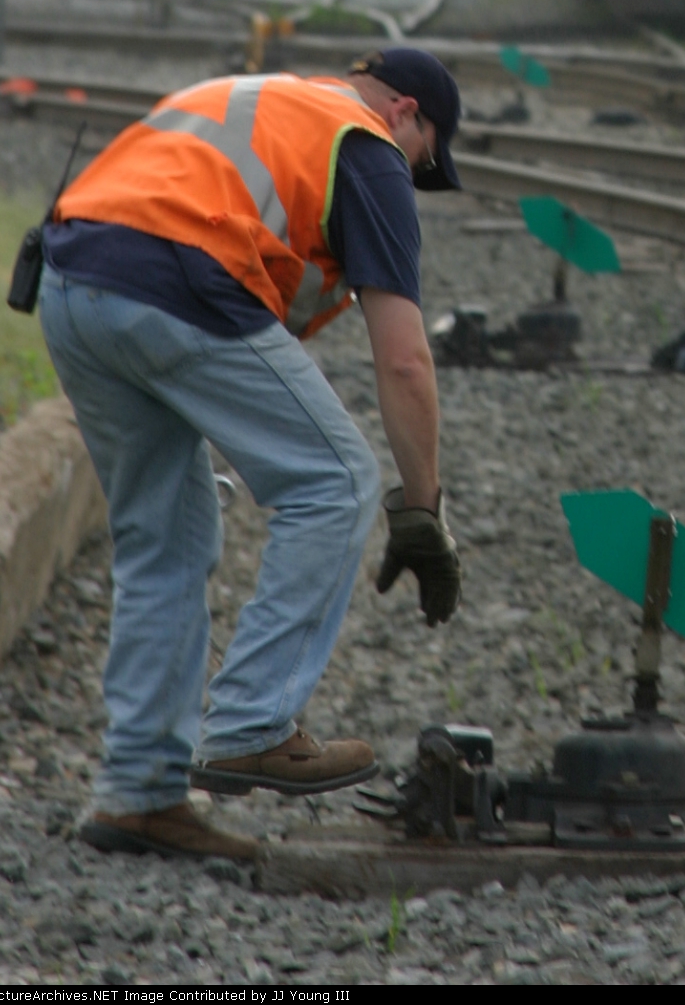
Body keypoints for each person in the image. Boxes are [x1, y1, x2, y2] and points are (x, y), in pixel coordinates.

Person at [38, 48, 464, 862]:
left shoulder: (256, 100)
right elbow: (406, 361)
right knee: (337, 480)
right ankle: (251, 724)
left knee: (166, 540)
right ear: (405, 112)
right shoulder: (364, 144)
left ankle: (139, 796)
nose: (412, 177)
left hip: (70, 284)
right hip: (177, 277)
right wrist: (422, 508)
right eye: (425, 160)